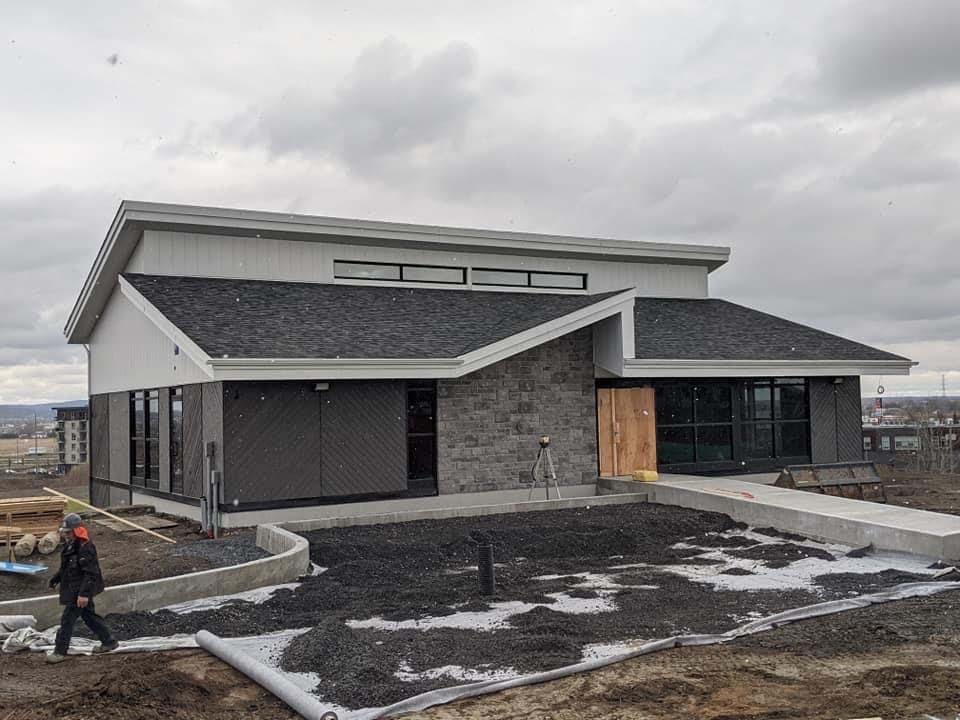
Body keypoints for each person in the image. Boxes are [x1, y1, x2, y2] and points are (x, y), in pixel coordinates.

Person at [46, 512, 118, 663]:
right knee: (89, 616)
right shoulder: (70, 545)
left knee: (67, 620)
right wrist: (56, 578)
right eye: (64, 532)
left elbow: (91, 573)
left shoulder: (86, 547)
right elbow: (66, 568)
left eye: (68, 532)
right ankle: (109, 641)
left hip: (79, 590)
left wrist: (84, 595)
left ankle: (60, 652)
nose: (65, 535)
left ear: (76, 531)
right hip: (74, 588)